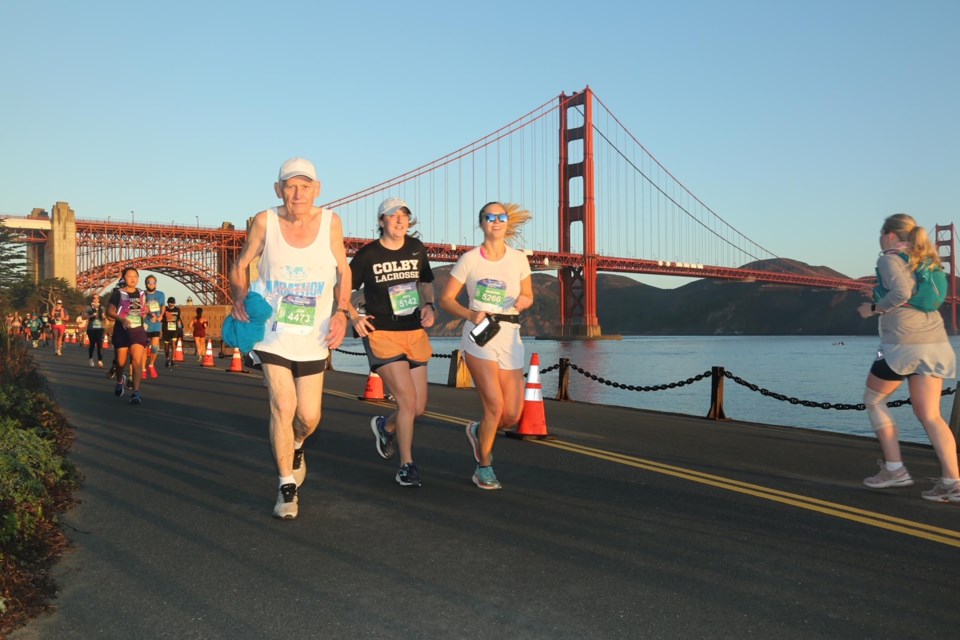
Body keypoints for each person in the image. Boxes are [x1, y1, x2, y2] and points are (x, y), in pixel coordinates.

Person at [228, 157, 351, 519]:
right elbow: (240, 264)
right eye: (290, 186)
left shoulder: (331, 222)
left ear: (317, 189)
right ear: (278, 189)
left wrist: (342, 312)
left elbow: (343, 269)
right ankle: (285, 486)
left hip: (314, 333)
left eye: (305, 186)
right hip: (273, 332)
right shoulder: (265, 221)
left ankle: (297, 445)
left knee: (309, 416)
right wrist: (238, 295)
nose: (298, 193)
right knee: (283, 406)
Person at [857, 213, 959, 502]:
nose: (879, 238)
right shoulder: (923, 259)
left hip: (903, 344)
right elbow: (912, 292)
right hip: (934, 343)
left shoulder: (888, 258)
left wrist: (873, 308)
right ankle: (953, 482)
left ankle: (894, 469)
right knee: (930, 415)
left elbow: (902, 291)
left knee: (874, 400)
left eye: (881, 233)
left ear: (890, 236)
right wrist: (877, 292)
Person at [439, 202, 533, 490]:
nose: (495, 221)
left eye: (500, 216)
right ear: (481, 223)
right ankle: (484, 466)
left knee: (513, 414)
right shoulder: (469, 259)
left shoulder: (518, 259)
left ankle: (479, 431)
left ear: (507, 222)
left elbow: (528, 294)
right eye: (489, 217)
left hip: (510, 334)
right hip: (479, 334)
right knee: (494, 405)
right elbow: (446, 299)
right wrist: (469, 314)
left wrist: (525, 301)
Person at [347, 197, 436, 487]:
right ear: (381, 221)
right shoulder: (367, 255)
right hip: (382, 333)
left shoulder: (416, 248)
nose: (399, 220)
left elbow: (425, 280)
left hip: (413, 332)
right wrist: (353, 316)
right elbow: (342, 289)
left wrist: (429, 305)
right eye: (392, 215)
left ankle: (385, 426)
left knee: (419, 407)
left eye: (404, 215)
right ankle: (406, 465)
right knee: (408, 401)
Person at [105, 267, 149, 405]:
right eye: (129, 276)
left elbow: (144, 309)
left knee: (137, 361)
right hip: (122, 330)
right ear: (124, 278)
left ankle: (136, 392)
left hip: (137, 331)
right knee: (120, 363)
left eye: (135, 276)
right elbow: (109, 311)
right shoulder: (118, 293)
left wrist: (146, 311)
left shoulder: (142, 293)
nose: (133, 279)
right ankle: (120, 380)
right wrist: (121, 318)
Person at [142, 276, 166, 378]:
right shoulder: (142, 294)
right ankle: (143, 368)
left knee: (155, 346)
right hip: (145, 323)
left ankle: (151, 364)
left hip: (156, 323)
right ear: (146, 283)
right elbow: (142, 307)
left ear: (156, 283)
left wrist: (161, 315)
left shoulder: (161, 294)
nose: (151, 284)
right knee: (144, 347)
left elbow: (163, 306)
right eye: (149, 282)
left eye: (153, 282)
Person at [83, 294, 106, 367]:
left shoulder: (102, 307)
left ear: (99, 299)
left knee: (100, 344)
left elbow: (104, 317)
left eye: (97, 298)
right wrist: (91, 315)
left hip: (100, 328)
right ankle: (90, 359)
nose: (95, 299)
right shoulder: (88, 307)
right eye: (94, 298)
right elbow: (84, 317)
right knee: (92, 344)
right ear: (92, 299)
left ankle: (100, 361)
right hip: (91, 328)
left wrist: (104, 316)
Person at [161, 297, 184, 368]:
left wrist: (180, 328)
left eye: (172, 303)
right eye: (170, 303)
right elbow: (161, 318)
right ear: (168, 303)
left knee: (174, 345)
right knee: (166, 345)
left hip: (175, 330)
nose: (171, 304)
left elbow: (179, 319)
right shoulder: (165, 309)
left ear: (174, 303)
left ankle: (173, 360)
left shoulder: (177, 309)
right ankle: (167, 359)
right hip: (166, 330)